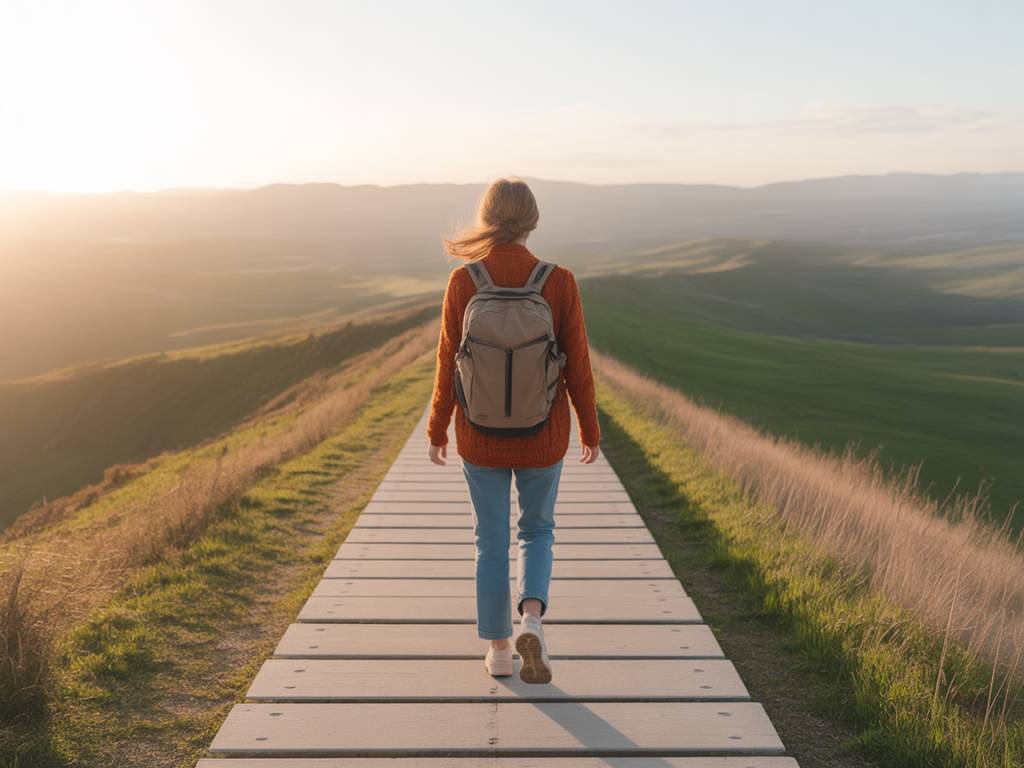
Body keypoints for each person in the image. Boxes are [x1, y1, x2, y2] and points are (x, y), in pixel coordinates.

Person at [427, 176, 601, 684]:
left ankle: (500, 651)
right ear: (533, 221)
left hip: (478, 436)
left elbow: (446, 366)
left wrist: (438, 428)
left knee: (490, 540)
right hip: (543, 433)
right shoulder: (558, 280)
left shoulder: (465, 281)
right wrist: (590, 430)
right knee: (538, 529)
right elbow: (579, 368)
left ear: (487, 219)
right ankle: (532, 619)